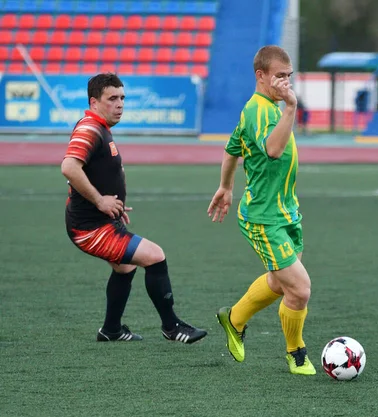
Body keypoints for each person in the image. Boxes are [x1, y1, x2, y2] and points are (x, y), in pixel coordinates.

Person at [61, 72, 207, 344]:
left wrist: (112, 204)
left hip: (100, 221)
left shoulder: (101, 127)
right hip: (89, 228)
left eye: (122, 98)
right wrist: (100, 201)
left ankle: (111, 330)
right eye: (112, 98)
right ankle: (172, 327)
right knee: (155, 256)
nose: (120, 104)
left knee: (125, 268)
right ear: (94, 102)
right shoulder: (90, 128)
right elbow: (69, 167)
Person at [207, 45, 315, 375]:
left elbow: (231, 149)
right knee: (299, 288)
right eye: (280, 77)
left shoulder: (264, 107)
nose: (286, 83)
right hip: (263, 219)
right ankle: (296, 354)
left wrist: (226, 187)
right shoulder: (261, 110)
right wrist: (291, 108)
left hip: (286, 214)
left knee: (281, 282)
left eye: (289, 77)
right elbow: (272, 149)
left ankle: (234, 319)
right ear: (261, 76)